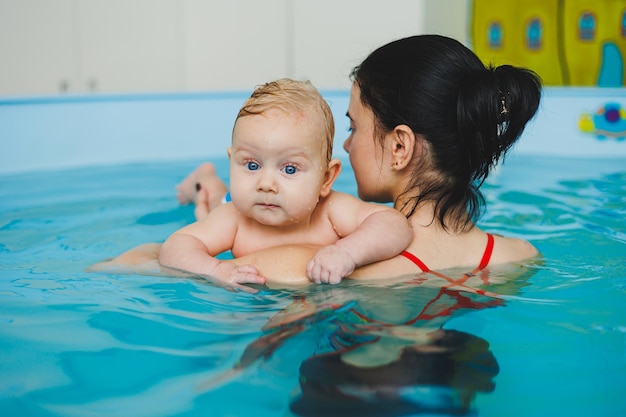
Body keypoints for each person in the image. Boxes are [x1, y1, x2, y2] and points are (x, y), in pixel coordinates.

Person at [91, 34, 542, 289]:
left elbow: (155, 259)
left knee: (223, 218)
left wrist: (107, 266)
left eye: (353, 127)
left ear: (400, 147)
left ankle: (209, 186)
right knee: (225, 215)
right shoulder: (520, 257)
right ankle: (209, 186)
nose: (345, 146)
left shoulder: (304, 264)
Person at [156, 78, 412, 290]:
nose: (266, 184)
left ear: (326, 179)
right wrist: (214, 269)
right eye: (251, 165)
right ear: (232, 161)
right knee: (211, 206)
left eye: (289, 169)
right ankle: (204, 180)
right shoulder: (234, 218)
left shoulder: (331, 210)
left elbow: (394, 224)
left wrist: (347, 252)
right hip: (229, 204)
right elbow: (175, 247)